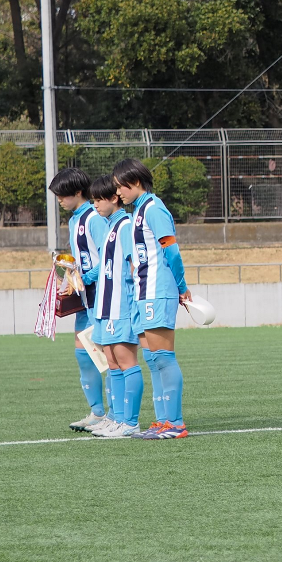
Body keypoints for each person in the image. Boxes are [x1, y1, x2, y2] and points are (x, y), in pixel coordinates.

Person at [114, 158, 191, 439]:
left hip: (158, 291)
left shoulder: (154, 209)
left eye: (120, 187)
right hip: (143, 292)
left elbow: (172, 251)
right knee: (152, 358)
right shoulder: (139, 211)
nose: (118, 193)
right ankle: (162, 421)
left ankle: (176, 423)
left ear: (134, 182)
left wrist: (182, 286)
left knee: (164, 357)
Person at [49, 167, 105, 432]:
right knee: (83, 355)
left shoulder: (95, 217)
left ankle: (118, 416)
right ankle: (97, 413)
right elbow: (83, 258)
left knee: (107, 357)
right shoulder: (74, 220)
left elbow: (108, 255)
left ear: (78, 191)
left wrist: (88, 277)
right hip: (84, 298)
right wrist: (69, 279)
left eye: (62, 194)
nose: (59, 199)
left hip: (102, 297)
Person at [87, 176, 141, 439]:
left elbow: (135, 264)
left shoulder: (126, 226)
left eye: (98, 199)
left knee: (126, 362)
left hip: (122, 306)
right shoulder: (110, 226)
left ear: (114, 198)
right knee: (111, 363)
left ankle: (130, 422)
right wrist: (83, 276)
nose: (94, 204)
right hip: (105, 306)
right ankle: (116, 417)